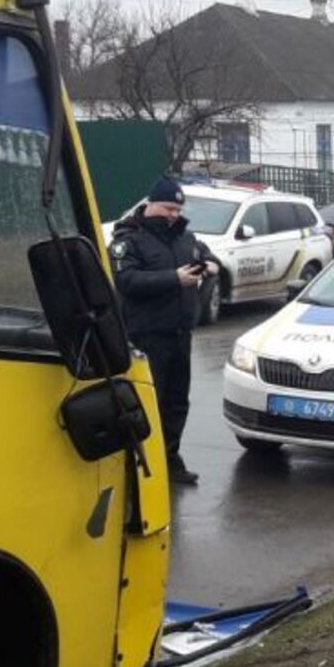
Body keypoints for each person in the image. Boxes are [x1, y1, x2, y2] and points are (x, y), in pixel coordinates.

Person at [112, 176, 218, 486]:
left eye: (177, 209)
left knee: (176, 402)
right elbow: (126, 281)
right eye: (168, 208)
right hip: (146, 335)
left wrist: (210, 265)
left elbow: (207, 255)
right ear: (151, 204)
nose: (173, 214)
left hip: (180, 333)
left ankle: (170, 459)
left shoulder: (185, 236)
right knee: (148, 405)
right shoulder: (127, 240)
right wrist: (173, 278)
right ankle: (140, 465)